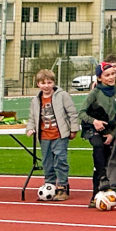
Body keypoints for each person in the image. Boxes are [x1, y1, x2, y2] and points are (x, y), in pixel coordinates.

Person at [27, 69, 80, 201]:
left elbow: (72, 113)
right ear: (38, 84)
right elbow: (32, 117)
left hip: (59, 135)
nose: (46, 85)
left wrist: (73, 129)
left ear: (54, 83)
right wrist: (30, 128)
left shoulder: (62, 96)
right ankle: (49, 185)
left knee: (60, 160)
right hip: (44, 137)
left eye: (49, 82)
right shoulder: (35, 100)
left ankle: (62, 187)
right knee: (47, 162)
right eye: (43, 83)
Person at [80, 63, 116, 201]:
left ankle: (96, 194)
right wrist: (94, 122)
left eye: (113, 74)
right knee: (97, 146)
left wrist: (112, 134)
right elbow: (81, 113)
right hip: (92, 129)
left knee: (103, 160)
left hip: (108, 131)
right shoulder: (95, 93)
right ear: (99, 78)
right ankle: (103, 178)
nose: (111, 77)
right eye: (107, 75)